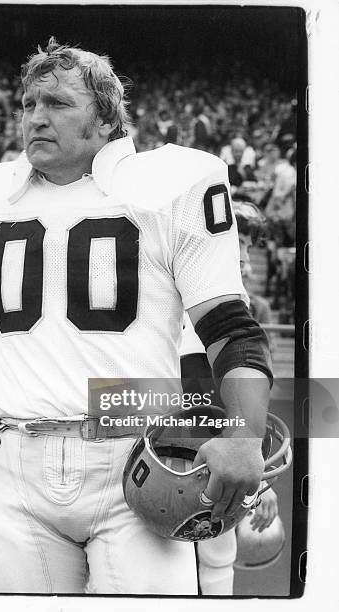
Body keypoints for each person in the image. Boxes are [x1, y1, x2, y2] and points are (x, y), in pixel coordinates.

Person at [0, 38, 272, 594]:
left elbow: (228, 328)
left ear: (105, 120)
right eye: (28, 104)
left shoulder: (173, 184)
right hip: (17, 461)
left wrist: (244, 432)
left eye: (57, 103)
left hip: (136, 459)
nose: (36, 118)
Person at [179, 200, 278, 595]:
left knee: (215, 555)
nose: (243, 257)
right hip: (185, 451)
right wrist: (258, 477)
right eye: (237, 241)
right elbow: (203, 391)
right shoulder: (192, 296)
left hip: (197, 450)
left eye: (248, 246)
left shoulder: (229, 297)